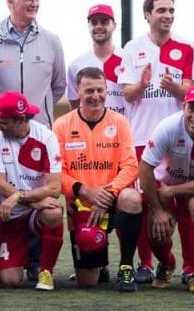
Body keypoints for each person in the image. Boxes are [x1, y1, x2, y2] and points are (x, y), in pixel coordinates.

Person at [117, 0, 194, 283]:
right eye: (161, 10)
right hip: (141, 139)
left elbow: (192, 93)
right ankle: (146, 264)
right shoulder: (132, 48)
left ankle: (190, 268)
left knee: (183, 204)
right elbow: (127, 94)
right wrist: (142, 84)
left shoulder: (187, 47)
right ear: (147, 14)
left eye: (171, 10)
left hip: (178, 141)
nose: (167, 15)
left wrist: (173, 88)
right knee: (142, 204)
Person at [55, 67, 142, 292]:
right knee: (87, 282)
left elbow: (131, 167)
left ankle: (126, 267)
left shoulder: (120, 122)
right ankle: (99, 263)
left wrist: (107, 194)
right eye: (89, 91)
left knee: (132, 199)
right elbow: (56, 174)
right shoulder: (62, 125)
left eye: (100, 90)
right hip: (81, 203)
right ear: (77, 91)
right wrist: (84, 190)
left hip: (112, 198)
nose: (96, 96)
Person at [139, 85, 194, 294]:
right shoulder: (167, 127)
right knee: (156, 227)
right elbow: (145, 168)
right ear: (183, 108)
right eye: (191, 109)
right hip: (165, 184)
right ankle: (167, 264)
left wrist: (173, 191)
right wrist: (157, 210)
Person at [0, 91, 64, 291]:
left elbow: (55, 189)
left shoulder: (46, 137)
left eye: (4, 122)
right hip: (7, 214)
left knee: (54, 212)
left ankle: (46, 272)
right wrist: (31, 200)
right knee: (10, 281)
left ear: (21, 119)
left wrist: (19, 196)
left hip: (31, 214)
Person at [0, 0, 66, 127]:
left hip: (40, 131)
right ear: (10, 2)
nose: (34, 4)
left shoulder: (52, 41)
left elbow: (59, 86)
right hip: (0, 130)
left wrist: (40, 110)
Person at [66, 4, 126, 115]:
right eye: (94, 22)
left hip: (121, 124)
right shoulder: (76, 65)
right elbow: (74, 105)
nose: (98, 26)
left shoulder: (127, 59)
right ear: (88, 26)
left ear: (114, 25)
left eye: (104, 22)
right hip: (89, 125)